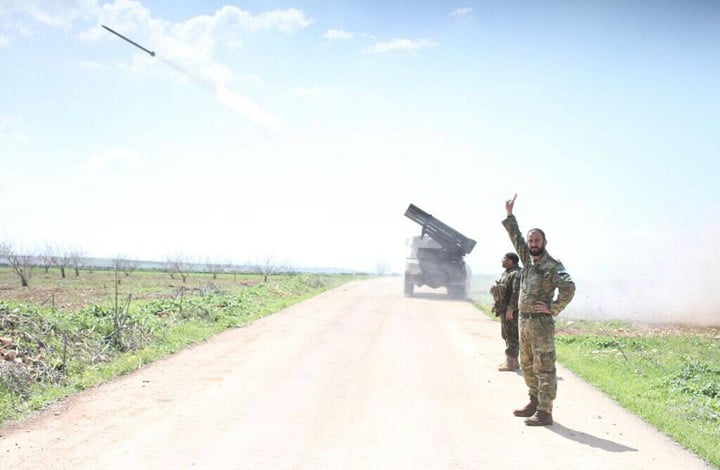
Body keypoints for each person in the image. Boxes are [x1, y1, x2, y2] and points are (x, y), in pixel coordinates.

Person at [502, 194, 575, 426]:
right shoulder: (527, 260)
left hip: (541, 324)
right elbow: (515, 237)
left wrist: (553, 308)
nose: (533, 243)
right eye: (531, 240)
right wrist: (510, 215)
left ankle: (545, 411)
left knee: (544, 367)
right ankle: (533, 401)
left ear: (544, 242)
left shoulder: (553, 266)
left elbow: (569, 287)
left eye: (537, 240)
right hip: (524, 322)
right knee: (526, 364)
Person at [489, 253, 521, 371]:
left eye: (504, 258)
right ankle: (514, 362)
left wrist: (511, 309)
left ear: (511, 261)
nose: (502, 260)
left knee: (511, 336)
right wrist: (496, 305)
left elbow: (516, 293)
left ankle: (510, 363)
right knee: (506, 335)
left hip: (511, 311)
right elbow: (501, 291)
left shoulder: (516, 274)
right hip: (504, 309)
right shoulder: (507, 273)